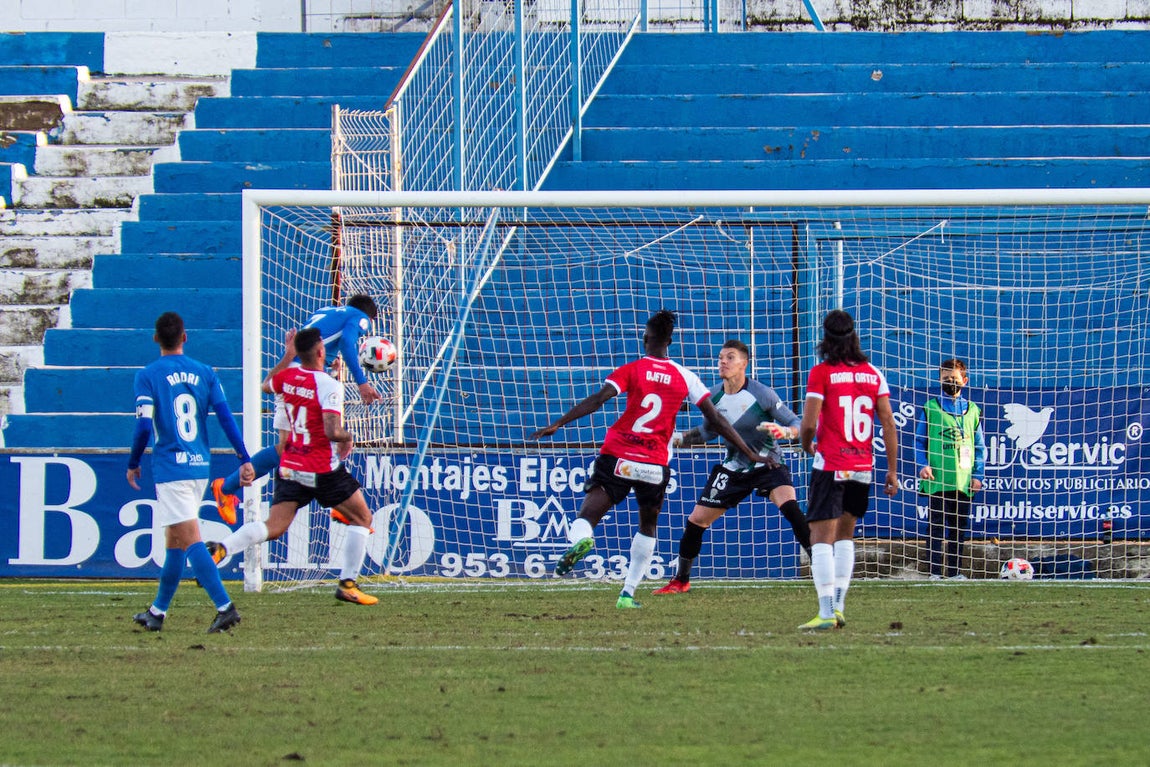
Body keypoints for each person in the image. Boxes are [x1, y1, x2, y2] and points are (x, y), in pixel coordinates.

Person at [529, 310, 780, 609]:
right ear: (670, 341)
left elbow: (598, 400)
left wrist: (560, 422)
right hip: (654, 463)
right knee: (647, 526)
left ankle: (580, 540)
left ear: (645, 338)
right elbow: (717, 421)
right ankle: (627, 594)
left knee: (588, 514)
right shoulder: (685, 377)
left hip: (619, 455)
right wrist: (750, 452)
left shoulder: (632, 369)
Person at [206, 327, 379, 605]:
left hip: (290, 465)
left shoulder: (287, 377)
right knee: (363, 519)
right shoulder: (328, 384)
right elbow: (332, 430)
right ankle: (348, 584)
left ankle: (222, 547)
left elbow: (266, 384)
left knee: (273, 526)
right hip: (321, 467)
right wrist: (348, 437)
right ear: (321, 352)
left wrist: (288, 355)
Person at [128, 311, 255, 633]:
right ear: (185, 337)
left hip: (172, 467)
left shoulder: (147, 375)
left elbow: (144, 426)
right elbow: (226, 417)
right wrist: (243, 456)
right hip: (199, 464)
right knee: (174, 540)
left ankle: (225, 607)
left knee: (189, 539)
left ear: (156, 338)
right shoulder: (206, 372)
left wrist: (133, 462)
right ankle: (157, 612)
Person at [654, 339, 810, 595]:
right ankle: (681, 580)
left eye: (730, 357)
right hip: (733, 468)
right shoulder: (712, 395)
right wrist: (678, 439)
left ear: (744, 364)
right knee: (696, 522)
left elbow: (797, 423)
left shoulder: (762, 394)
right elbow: (706, 432)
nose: (723, 362)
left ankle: (823, 568)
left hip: (768, 463)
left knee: (791, 508)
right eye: (720, 358)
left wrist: (785, 432)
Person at [210, 294, 383, 524]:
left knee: (318, 440)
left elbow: (320, 344)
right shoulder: (360, 317)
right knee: (288, 448)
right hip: (299, 381)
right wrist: (361, 382)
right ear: (370, 316)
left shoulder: (326, 311)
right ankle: (227, 487)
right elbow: (347, 342)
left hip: (300, 376)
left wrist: (328, 364)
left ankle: (343, 503)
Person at [797, 309, 898, 631]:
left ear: (825, 338)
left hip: (831, 464)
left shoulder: (821, 372)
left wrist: (806, 443)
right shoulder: (873, 373)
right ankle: (838, 607)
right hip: (862, 465)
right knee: (845, 536)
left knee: (820, 539)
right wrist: (892, 471)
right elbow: (888, 422)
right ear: (854, 336)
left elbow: (809, 424)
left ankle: (826, 611)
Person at [915, 358, 985, 580]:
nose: (950, 382)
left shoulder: (973, 411)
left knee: (958, 528)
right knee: (935, 527)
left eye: (954, 379)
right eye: (946, 379)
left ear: (964, 381)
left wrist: (978, 475)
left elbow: (980, 446)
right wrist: (922, 464)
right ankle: (934, 572)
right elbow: (919, 441)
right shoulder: (930, 408)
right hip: (937, 479)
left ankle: (955, 572)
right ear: (939, 380)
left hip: (963, 481)